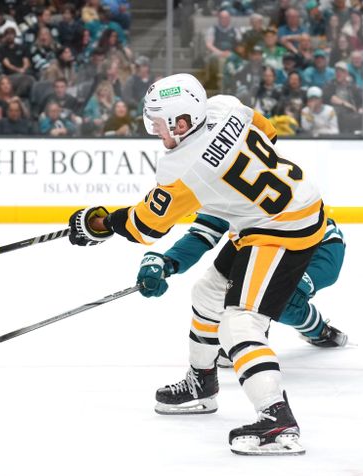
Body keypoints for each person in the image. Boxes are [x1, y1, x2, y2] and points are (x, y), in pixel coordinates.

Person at [68, 73, 329, 456]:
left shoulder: (182, 169)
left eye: (159, 123)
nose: (155, 130)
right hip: (273, 214)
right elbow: (268, 132)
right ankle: (202, 383)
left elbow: (145, 226)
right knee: (207, 293)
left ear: (183, 122)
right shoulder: (224, 106)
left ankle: (277, 419)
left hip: (281, 229)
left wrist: (101, 222)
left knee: (240, 323)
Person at [134, 212, 346, 364]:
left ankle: (319, 331)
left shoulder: (240, 175)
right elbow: (204, 232)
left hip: (317, 245)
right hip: (265, 244)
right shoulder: (218, 182)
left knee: (283, 300)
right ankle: (247, 336)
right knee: (234, 284)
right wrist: (168, 262)